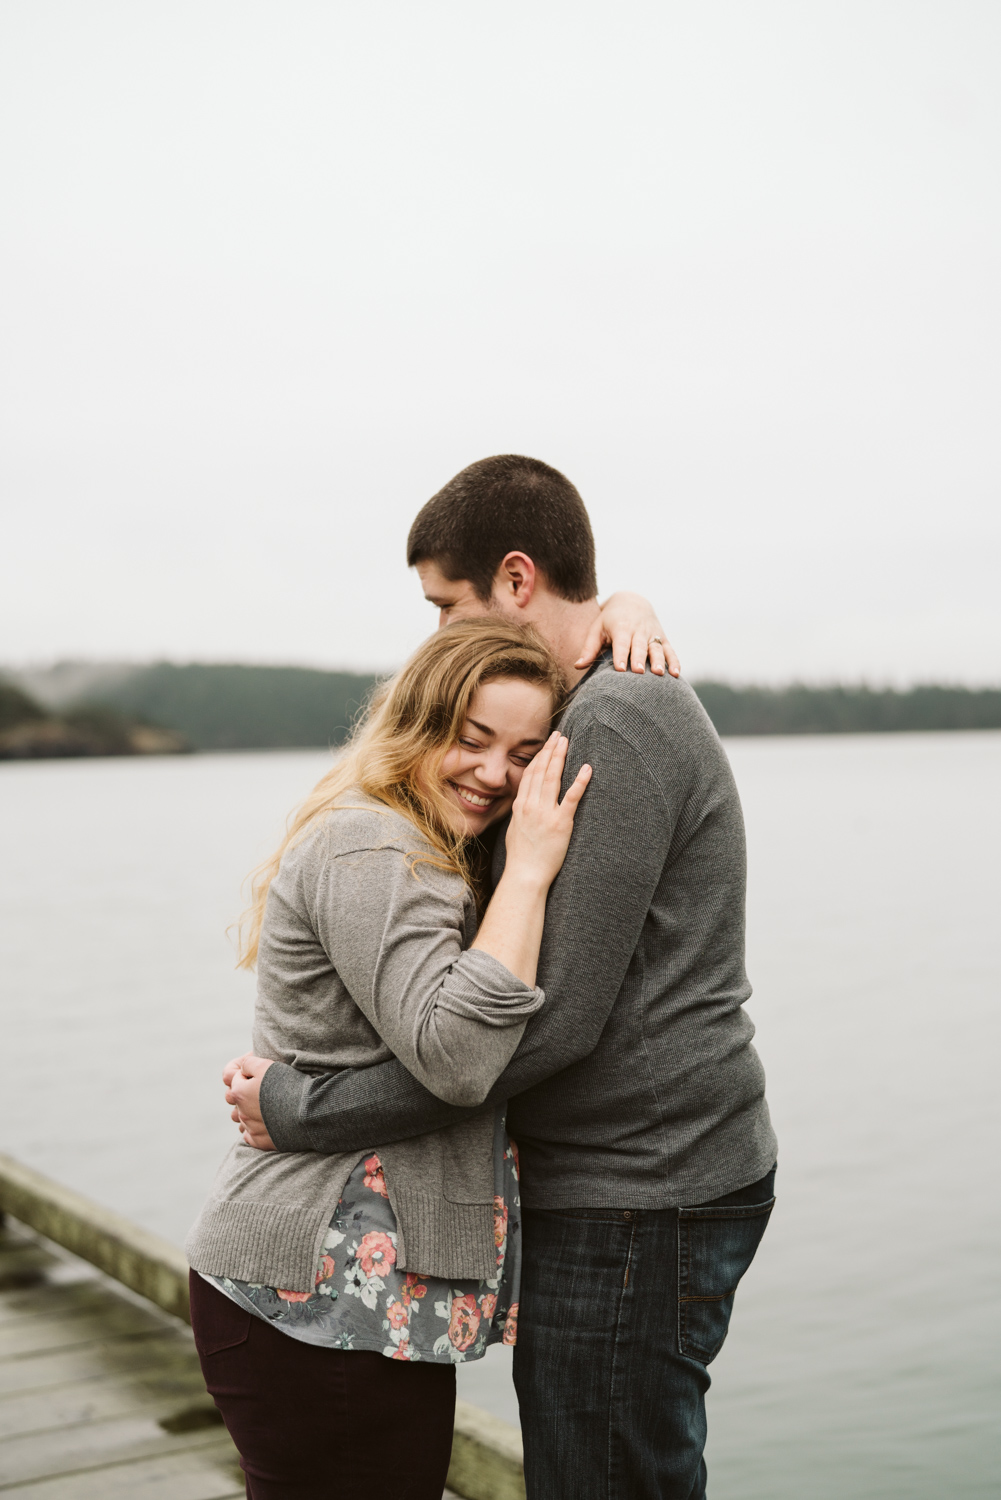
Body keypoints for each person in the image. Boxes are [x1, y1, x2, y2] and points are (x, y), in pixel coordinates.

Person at [230, 453, 778, 1500]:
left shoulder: (611, 722)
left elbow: (553, 1024)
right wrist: (624, 602)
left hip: (641, 1187)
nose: (436, 632)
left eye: (447, 603)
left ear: (517, 579)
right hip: (641, 1175)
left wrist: (306, 1108)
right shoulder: (590, 702)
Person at [186, 618, 592, 1498]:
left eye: (524, 753)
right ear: (415, 724)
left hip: (353, 1303)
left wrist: (625, 608)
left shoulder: (418, 844)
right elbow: (455, 1059)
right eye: (471, 739)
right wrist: (527, 872)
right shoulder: (375, 847)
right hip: (312, 1294)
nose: (494, 774)